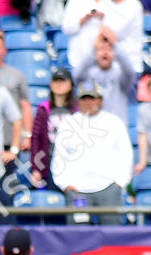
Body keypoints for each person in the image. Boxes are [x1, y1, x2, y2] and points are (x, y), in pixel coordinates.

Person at [50, 83, 133, 223]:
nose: (88, 102)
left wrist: (120, 182)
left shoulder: (113, 122)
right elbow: (59, 156)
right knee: (78, 238)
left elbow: (126, 153)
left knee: (112, 234)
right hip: (77, 190)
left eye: (92, 98)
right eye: (84, 99)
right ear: (78, 101)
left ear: (100, 100)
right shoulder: (69, 123)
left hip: (108, 187)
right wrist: (65, 184)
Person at [30, 69, 76, 189]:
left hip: (73, 163)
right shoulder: (43, 109)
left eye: (63, 81)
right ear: (51, 85)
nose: (59, 84)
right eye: (56, 81)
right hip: (50, 164)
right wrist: (36, 168)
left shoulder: (77, 110)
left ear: (71, 85)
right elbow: (36, 140)